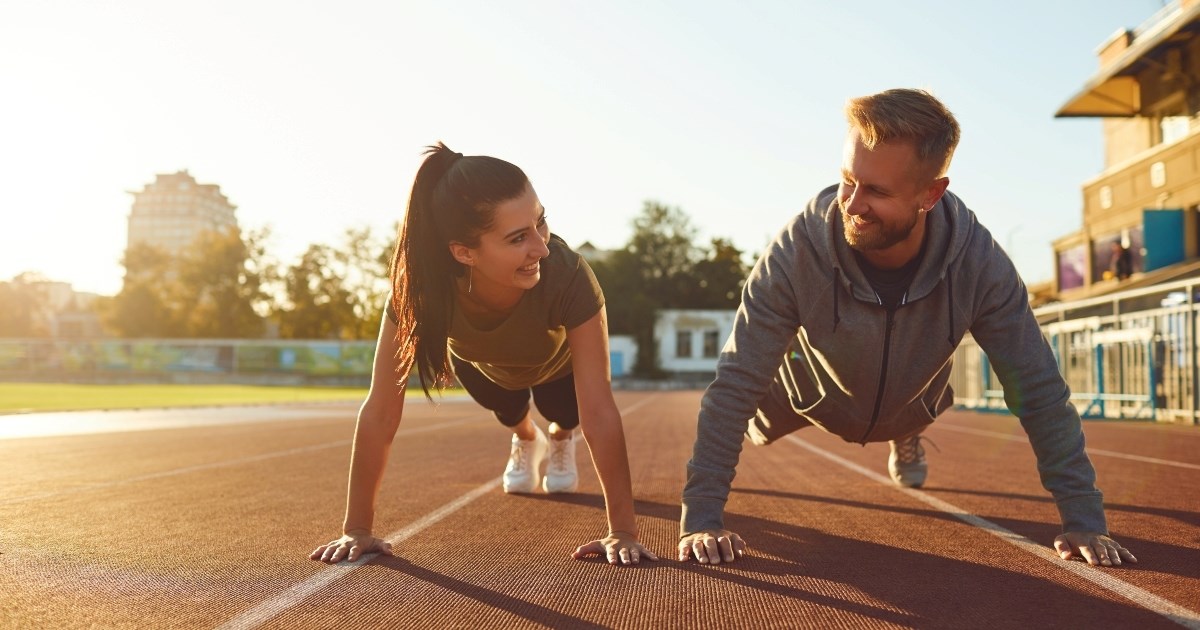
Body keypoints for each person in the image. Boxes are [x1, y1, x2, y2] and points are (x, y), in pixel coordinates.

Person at [678, 89, 1137, 569]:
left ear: (930, 194)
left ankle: (905, 433)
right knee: (745, 402)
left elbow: (1038, 388)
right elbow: (733, 384)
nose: (852, 204)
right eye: (847, 180)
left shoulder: (979, 266)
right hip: (805, 394)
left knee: (915, 401)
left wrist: (1084, 520)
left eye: (876, 191)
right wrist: (702, 518)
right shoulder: (797, 252)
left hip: (910, 400)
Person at [311, 143, 656, 566]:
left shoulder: (567, 274)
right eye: (517, 238)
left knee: (562, 411)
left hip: (557, 371)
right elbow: (381, 407)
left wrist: (621, 531)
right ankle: (528, 438)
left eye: (540, 222)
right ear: (464, 252)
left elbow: (600, 409)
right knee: (508, 407)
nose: (541, 248)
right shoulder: (419, 292)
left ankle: (559, 439)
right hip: (485, 370)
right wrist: (357, 529)